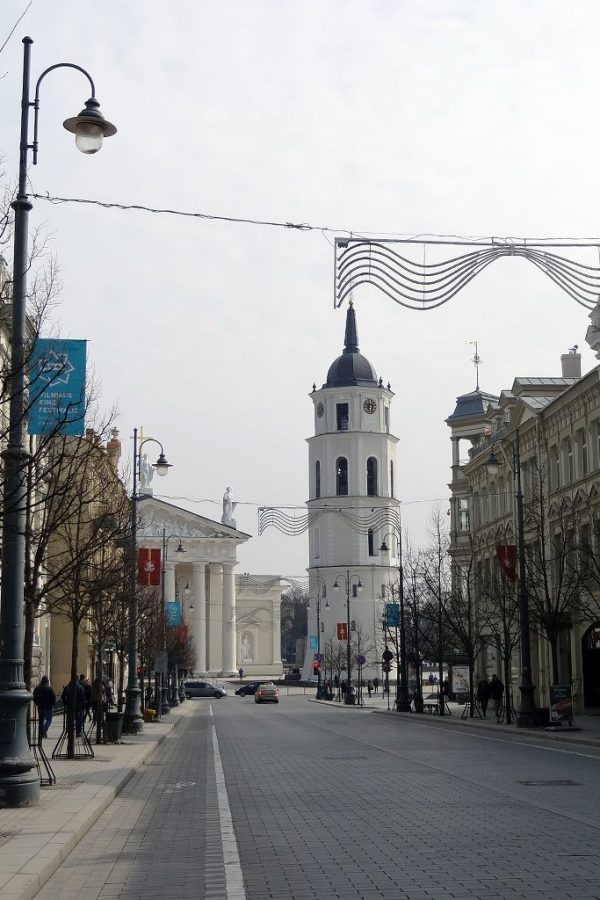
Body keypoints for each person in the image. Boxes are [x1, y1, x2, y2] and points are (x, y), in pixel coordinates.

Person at [33, 675, 56, 740]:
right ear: (47, 681)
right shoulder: (49, 688)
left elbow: (34, 697)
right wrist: (52, 703)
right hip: (48, 707)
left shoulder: (37, 688)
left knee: (41, 719)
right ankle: (43, 730)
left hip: (40, 706)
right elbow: (53, 697)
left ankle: (42, 732)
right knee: (49, 719)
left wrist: (37, 703)